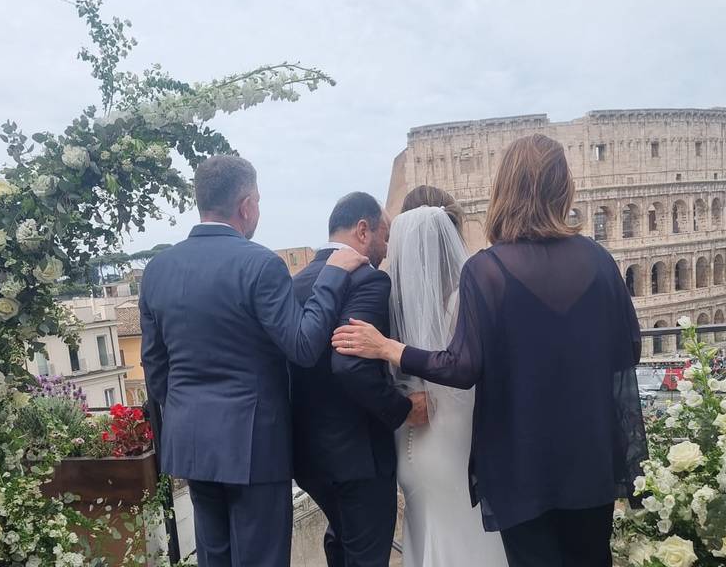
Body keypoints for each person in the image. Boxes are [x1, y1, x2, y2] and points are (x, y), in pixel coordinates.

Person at [333, 134, 647, 567]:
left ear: (504, 189)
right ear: (563, 189)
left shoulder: (489, 271)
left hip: (522, 462)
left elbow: (462, 367)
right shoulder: (599, 261)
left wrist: (392, 349)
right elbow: (628, 350)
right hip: (589, 457)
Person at [141, 155, 367, 567]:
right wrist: (332, 275)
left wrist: (186, 411)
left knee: (215, 558)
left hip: (191, 444)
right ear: (246, 205)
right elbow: (302, 345)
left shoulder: (157, 269)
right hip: (253, 445)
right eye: (258, 202)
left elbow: (155, 368)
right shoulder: (260, 264)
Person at [290, 192, 425, 567]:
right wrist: (401, 409)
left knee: (340, 546)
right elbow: (349, 366)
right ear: (363, 230)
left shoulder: (296, 283)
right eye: (384, 236)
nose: (385, 248)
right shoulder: (368, 281)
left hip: (308, 458)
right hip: (360, 460)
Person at [388, 185, 509, 567]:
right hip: (460, 441)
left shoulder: (393, 301)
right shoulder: (466, 299)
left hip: (409, 438)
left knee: (426, 531)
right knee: (469, 532)